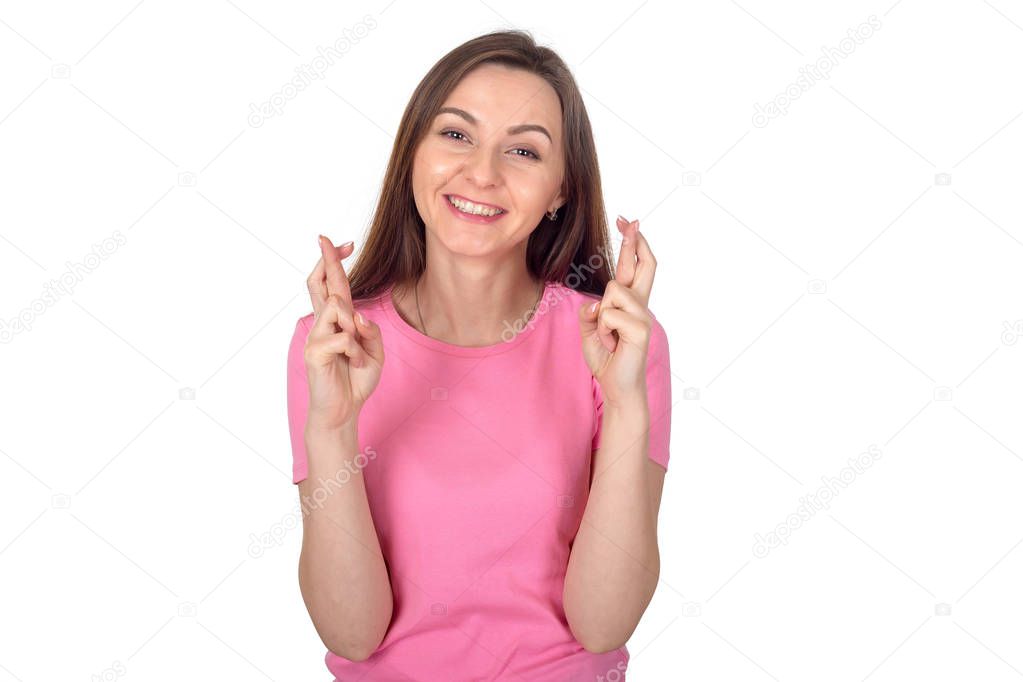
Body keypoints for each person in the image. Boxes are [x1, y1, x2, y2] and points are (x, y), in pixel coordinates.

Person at [286, 29, 672, 681]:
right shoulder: (333, 344)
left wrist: (627, 405)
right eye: (457, 134)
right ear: (413, 154)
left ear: (559, 191)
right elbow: (352, 638)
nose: (483, 173)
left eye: (523, 149)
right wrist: (331, 430)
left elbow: (603, 625)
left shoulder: (618, 343)